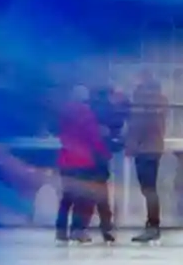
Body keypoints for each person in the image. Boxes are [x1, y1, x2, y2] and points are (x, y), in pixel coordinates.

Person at [50, 87, 111, 244]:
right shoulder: (86, 113)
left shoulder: (63, 113)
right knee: (82, 199)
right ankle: (77, 231)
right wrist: (105, 153)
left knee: (66, 198)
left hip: (65, 159)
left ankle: (61, 231)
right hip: (82, 161)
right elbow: (94, 138)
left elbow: (57, 131)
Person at [123, 74, 172, 241]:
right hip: (154, 149)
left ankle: (152, 226)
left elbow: (137, 127)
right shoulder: (159, 104)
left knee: (149, 189)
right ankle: (152, 225)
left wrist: (130, 144)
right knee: (150, 189)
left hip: (145, 150)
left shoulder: (143, 105)